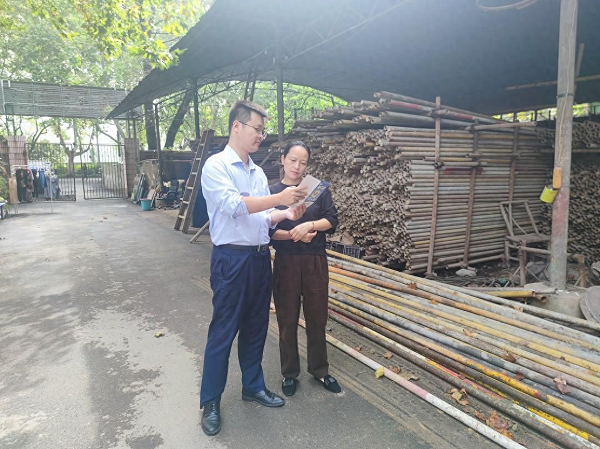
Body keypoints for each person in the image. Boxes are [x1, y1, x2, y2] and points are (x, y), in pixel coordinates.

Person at [199, 100, 308, 437]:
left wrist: (286, 213)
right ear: (237, 126)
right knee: (223, 330)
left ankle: (253, 386)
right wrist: (280, 199)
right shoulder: (216, 166)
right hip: (231, 260)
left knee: (256, 327)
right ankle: (211, 401)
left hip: (260, 258)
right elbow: (234, 206)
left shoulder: (257, 173)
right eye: (257, 129)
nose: (261, 135)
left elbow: (262, 217)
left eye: (263, 130)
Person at [269, 141, 341, 397]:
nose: (297, 166)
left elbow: (331, 219)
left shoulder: (317, 189)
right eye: (292, 160)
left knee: (317, 317)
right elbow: (267, 230)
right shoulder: (273, 192)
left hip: (314, 261)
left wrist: (309, 225)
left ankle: (320, 370)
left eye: (303, 162)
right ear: (282, 159)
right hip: (286, 261)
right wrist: (292, 235)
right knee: (287, 319)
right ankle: (289, 373)